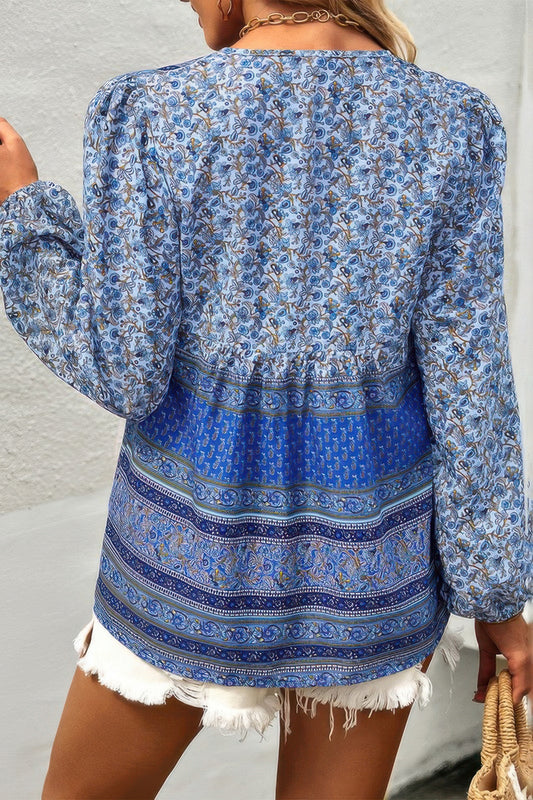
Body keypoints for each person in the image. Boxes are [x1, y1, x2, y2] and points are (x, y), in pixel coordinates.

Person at [0, 0, 531, 798]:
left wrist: (24, 214)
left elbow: (124, 368)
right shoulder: (453, 122)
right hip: (370, 572)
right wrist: (496, 596)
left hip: (185, 559)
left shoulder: (150, 110)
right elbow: (469, 380)